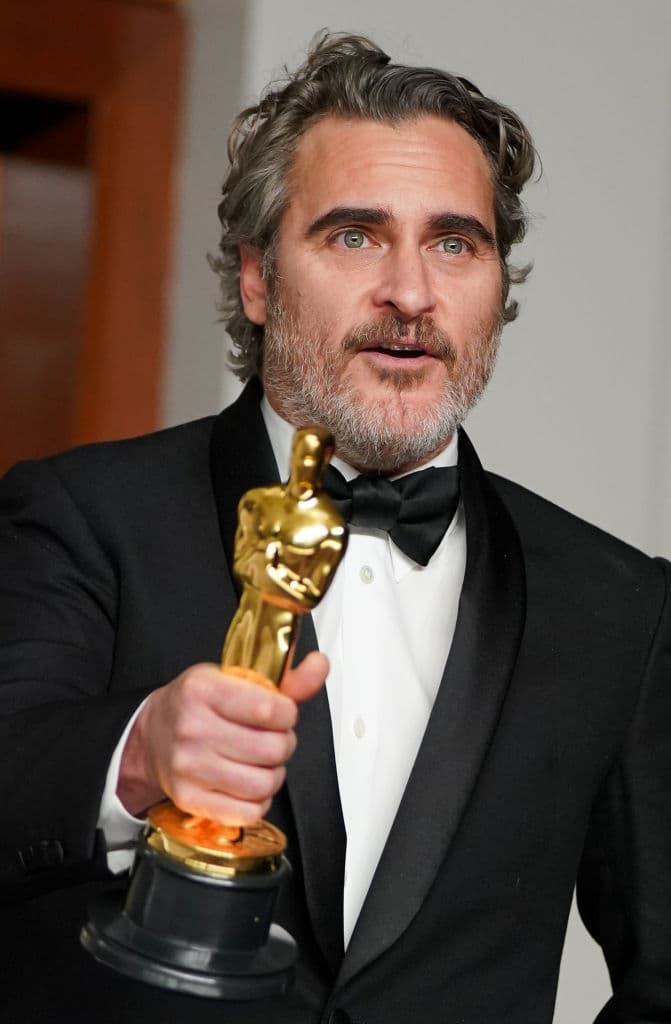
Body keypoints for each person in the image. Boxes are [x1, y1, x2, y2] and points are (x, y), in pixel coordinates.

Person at [0, 30, 669, 1024]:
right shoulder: (82, 513)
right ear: (259, 280)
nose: (409, 293)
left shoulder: (618, 603)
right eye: (354, 234)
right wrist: (138, 752)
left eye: (454, 242)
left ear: (493, 289)